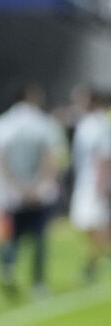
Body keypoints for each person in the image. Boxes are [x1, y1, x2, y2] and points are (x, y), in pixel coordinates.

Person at [0, 83, 66, 297]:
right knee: (39, 237)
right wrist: (37, 186)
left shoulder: (1, 124)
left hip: (12, 192)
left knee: (12, 235)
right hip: (40, 191)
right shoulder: (44, 123)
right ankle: (38, 283)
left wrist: (17, 187)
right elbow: (51, 157)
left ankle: (7, 268)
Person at [68, 88, 111, 282]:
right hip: (85, 179)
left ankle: (91, 264)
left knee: (95, 222)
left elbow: (104, 157)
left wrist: (100, 186)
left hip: (94, 182)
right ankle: (96, 258)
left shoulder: (100, 124)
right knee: (88, 224)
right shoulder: (87, 123)